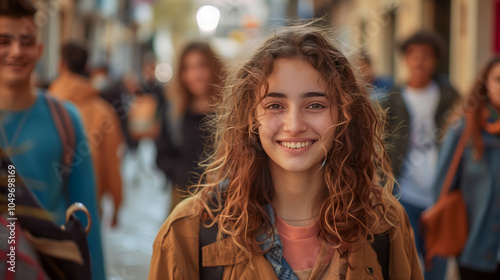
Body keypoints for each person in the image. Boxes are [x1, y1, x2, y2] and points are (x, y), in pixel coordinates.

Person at [149, 24, 423, 279]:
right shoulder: (188, 231)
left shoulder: (385, 222)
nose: (294, 125)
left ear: (345, 115)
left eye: (315, 105)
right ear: (250, 118)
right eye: (275, 106)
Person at [0, 1, 106, 279]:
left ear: (40, 50)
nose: (16, 51)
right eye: (4, 41)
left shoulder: (65, 118)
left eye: (26, 41)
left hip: (50, 270)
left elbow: (86, 217)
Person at [379, 30, 460, 278]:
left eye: (425, 55)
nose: (418, 61)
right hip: (404, 194)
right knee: (407, 264)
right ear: (405, 59)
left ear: (435, 60)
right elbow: (381, 146)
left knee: (438, 266)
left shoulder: (450, 97)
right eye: (412, 55)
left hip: (442, 195)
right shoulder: (391, 99)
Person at [432, 56, 500, 279]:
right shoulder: (463, 129)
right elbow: (442, 187)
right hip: (475, 249)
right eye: (498, 79)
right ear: (485, 84)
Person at [49, 42, 124, 229]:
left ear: (61, 66)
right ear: (87, 68)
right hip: (88, 210)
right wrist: (116, 205)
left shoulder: (44, 106)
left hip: (47, 208)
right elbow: (112, 163)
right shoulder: (103, 112)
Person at [155, 41, 222, 212]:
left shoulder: (230, 112)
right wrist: (180, 173)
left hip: (223, 199)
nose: (195, 75)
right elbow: (162, 153)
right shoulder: (174, 111)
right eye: (187, 68)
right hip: (183, 198)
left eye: (201, 66)